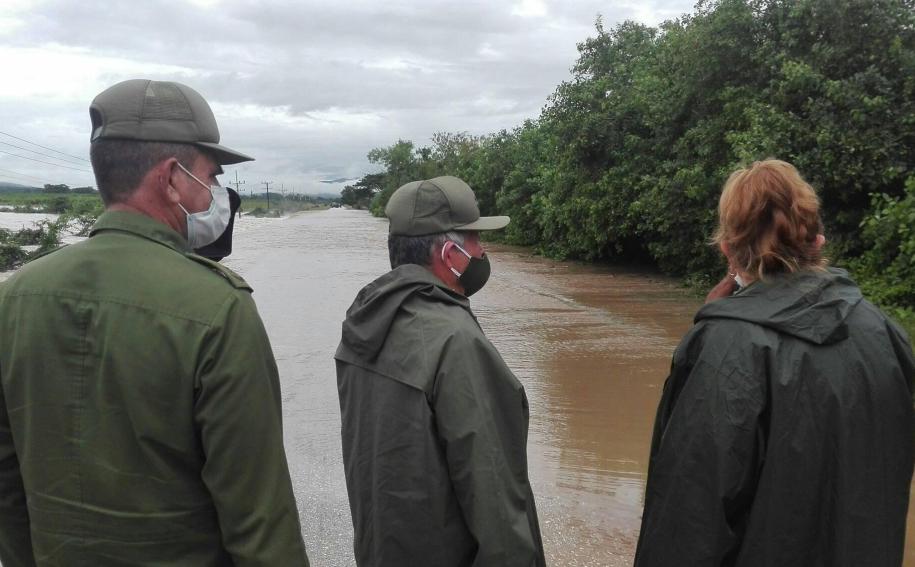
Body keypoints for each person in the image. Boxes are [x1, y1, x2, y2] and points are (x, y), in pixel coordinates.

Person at [0, 79, 310, 566]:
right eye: (211, 176)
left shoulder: (13, 297)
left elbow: (7, 487)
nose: (218, 193)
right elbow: (259, 519)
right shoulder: (217, 308)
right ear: (171, 177)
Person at [634, 159, 915, 567]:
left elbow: (687, 522)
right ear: (817, 242)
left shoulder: (724, 349)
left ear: (728, 251)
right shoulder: (887, 333)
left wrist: (712, 331)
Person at [335, 176, 546, 567]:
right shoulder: (456, 341)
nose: (483, 252)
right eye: (476, 240)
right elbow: (498, 509)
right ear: (450, 254)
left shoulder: (363, 326)